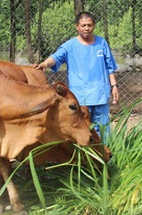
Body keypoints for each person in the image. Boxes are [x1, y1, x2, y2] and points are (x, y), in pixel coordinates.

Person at [34, 11, 119, 143]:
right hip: (80, 98)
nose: (87, 28)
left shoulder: (101, 44)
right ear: (77, 26)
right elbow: (56, 57)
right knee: (83, 131)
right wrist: (45, 64)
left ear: (94, 26)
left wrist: (114, 86)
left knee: (103, 131)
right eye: (83, 25)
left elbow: (110, 67)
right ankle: (84, 160)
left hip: (100, 95)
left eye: (89, 25)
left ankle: (106, 157)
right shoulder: (70, 46)